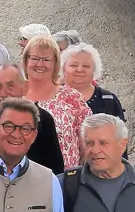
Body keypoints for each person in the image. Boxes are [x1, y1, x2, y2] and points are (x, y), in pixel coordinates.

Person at [0, 65, 65, 174]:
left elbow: (54, 167)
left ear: (25, 88)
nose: (3, 93)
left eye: (10, 86)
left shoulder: (42, 120)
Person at [23, 35, 89, 170]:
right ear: (26, 61)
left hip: (65, 180)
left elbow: (87, 144)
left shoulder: (72, 97)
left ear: (55, 63)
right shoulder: (14, 96)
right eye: (35, 58)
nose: (40, 64)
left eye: (46, 59)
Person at [62, 42, 125, 120]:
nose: (80, 69)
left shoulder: (108, 99)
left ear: (94, 70)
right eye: (73, 65)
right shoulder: (50, 97)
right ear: (63, 68)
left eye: (86, 66)